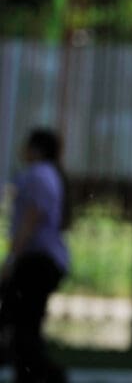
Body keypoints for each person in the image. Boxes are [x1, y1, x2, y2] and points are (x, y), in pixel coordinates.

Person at [0, 128, 70, 383]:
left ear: (36, 149)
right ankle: (33, 372)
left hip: (37, 259)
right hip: (45, 259)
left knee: (22, 322)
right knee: (25, 322)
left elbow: (31, 219)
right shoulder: (51, 175)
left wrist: (11, 258)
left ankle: (42, 374)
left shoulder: (38, 175)